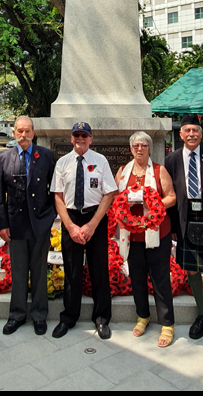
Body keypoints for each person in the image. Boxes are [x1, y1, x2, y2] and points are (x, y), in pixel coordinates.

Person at [164, 113, 203, 344]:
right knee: (191, 269)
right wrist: (171, 223)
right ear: (180, 134)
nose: (191, 134)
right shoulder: (171, 159)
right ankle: (201, 315)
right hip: (184, 219)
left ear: (201, 134)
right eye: (187, 131)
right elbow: (169, 193)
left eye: (195, 131)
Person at [50, 122, 117, 340]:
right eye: (76, 135)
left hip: (94, 218)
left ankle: (101, 318)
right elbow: (58, 196)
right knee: (71, 271)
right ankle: (69, 317)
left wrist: (92, 224)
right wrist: (70, 226)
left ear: (91, 138)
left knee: (99, 270)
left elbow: (109, 194)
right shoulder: (62, 163)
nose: (80, 138)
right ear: (71, 138)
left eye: (84, 135)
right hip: (71, 218)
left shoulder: (101, 161)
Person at [115, 131, 177, 347]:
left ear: (149, 148)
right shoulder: (123, 171)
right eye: (135, 145)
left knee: (160, 279)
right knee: (137, 278)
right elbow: (116, 198)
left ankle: (167, 323)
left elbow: (171, 196)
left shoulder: (159, 171)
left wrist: (154, 203)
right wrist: (125, 204)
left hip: (157, 234)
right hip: (132, 236)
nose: (139, 149)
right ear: (131, 149)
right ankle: (143, 316)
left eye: (143, 145)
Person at [0, 116, 56, 336]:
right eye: (19, 131)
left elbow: (54, 190)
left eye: (27, 131)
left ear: (33, 132)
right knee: (19, 270)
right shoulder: (3, 158)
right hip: (16, 225)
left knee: (39, 271)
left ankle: (39, 315)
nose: (23, 135)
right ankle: (17, 315)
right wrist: (2, 225)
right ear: (14, 133)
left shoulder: (47, 156)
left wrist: (49, 218)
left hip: (39, 224)